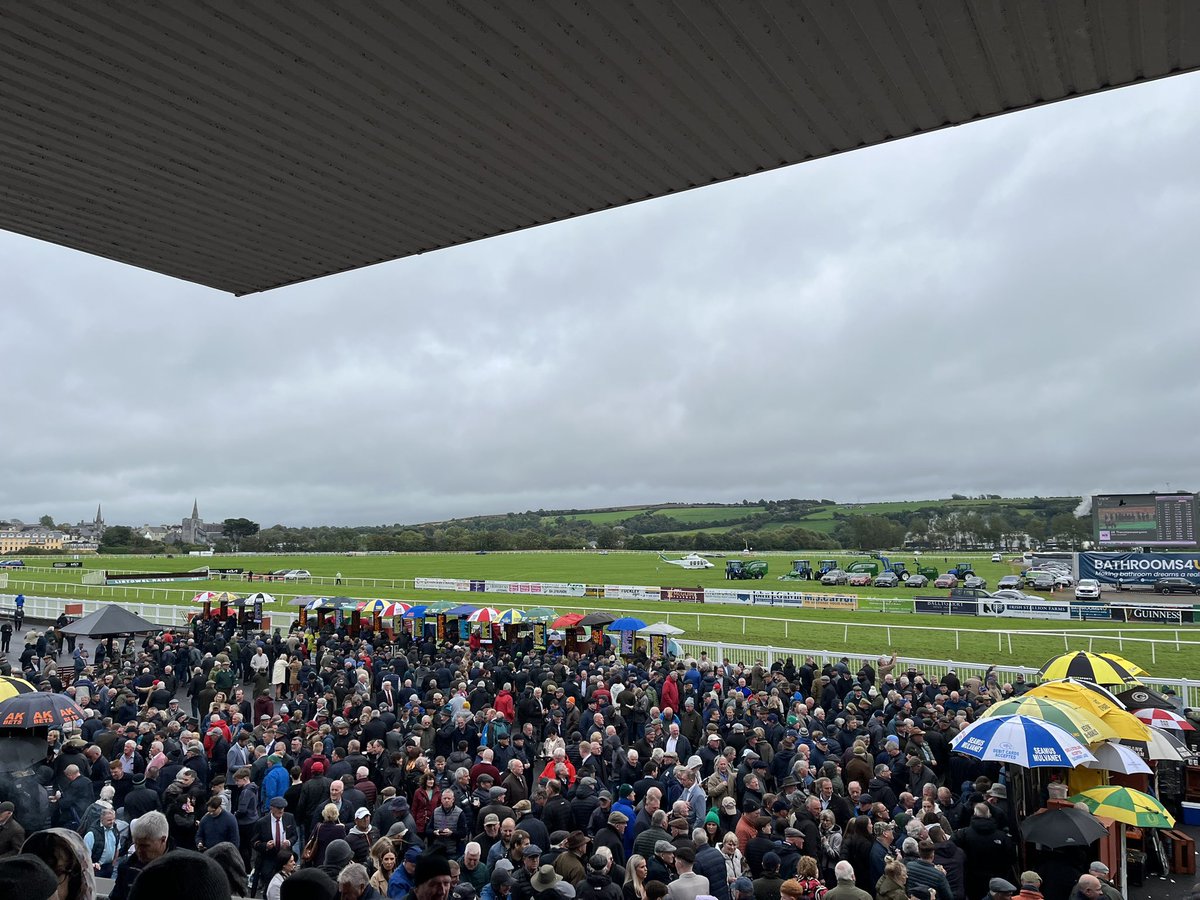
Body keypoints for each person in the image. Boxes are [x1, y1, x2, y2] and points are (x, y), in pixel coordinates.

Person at [110, 811, 169, 900]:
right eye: (136, 844)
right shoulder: (127, 867)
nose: (139, 850)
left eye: (144, 846)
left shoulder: (180, 869)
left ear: (163, 840)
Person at [82, 808, 119, 878]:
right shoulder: (91, 834)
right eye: (109, 820)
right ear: (102, 819)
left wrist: (113, 863)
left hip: (109, 867)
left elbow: (117, 847)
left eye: (114, 819)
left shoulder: (115, 830)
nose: (112, 822)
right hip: (96, 868)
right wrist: (91, 866)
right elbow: (85, 854)